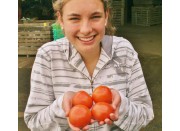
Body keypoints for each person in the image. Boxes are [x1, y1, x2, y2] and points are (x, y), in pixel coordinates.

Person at [24, 0, 154, 130]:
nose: (86, 30)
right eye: (74, 18)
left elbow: (145, 114)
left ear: (106, 16)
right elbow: (34, 121)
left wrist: (120, 105)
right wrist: (61, 107)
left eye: (95, 17)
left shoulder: (124, 52)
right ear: (61, 19)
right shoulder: (48, 55)